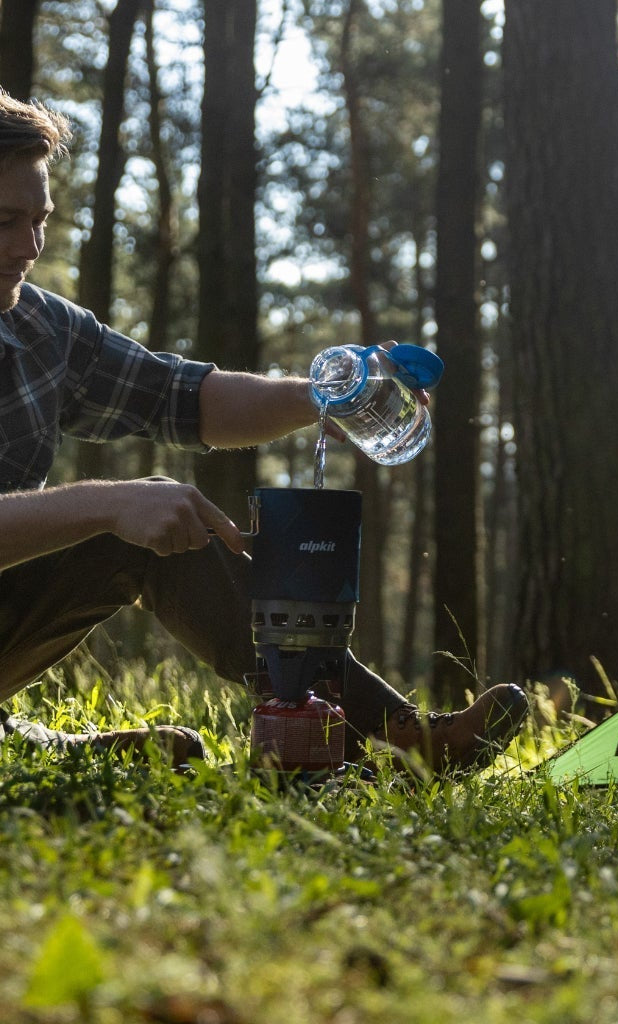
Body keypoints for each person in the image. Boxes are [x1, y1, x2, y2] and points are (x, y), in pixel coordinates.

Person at [0, 89, 526, 769]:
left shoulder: (39, 327)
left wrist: (325, 396)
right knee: (121, 511)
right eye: (5, 221)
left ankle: (391, 735)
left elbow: (190, 399)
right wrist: (105, 502)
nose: (29, 246)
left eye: (39, 219)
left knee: (161, 511)